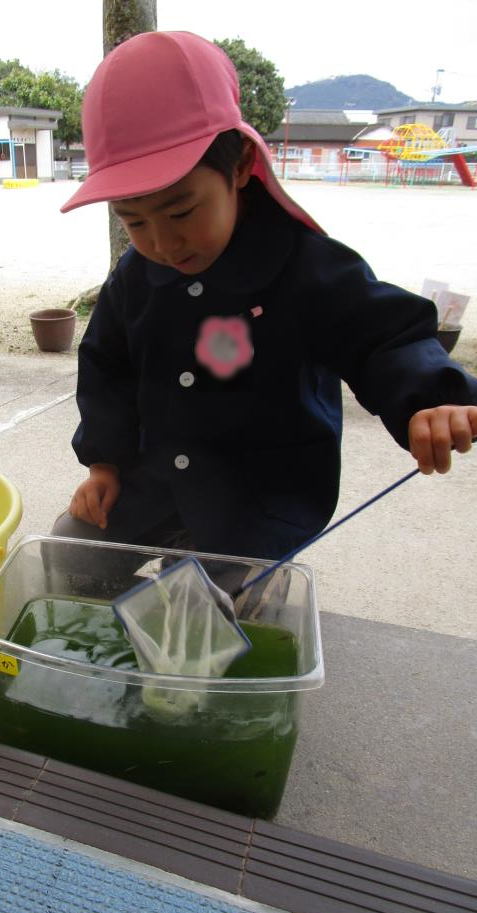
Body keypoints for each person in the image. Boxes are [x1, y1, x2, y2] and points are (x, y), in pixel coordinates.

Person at [54, 30, 477, 561]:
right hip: (152, 484)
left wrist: (432, 399)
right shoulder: (134, 278)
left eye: (182, 211)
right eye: (133, 220)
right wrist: (105, 464)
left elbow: (383, 337)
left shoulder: (305, 267)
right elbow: (106, 367)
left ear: (238, 166)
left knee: (206, 621)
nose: (162, 242)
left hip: (257, 501)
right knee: (66, 557)